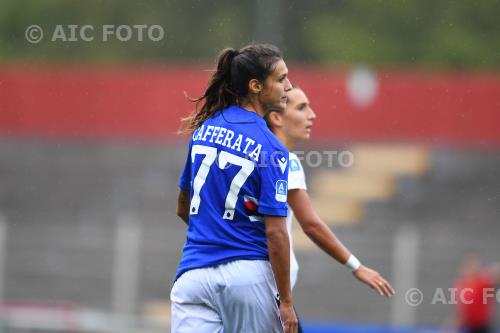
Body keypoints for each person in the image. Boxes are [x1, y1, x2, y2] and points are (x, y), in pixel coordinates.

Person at [171, 44, 298, 333]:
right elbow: (276, 233)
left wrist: (215, 234)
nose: (289, 86)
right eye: (281, 79)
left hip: (193, 277)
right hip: (247, 278)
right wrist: (286, 302)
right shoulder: (271, 149)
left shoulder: (203, 131)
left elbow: (182, 205)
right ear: (256, 86)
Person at [264, 87, 395, 325]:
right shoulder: (284, 160)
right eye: (302, 107)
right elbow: (311, 225)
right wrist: (356, 266)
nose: (312, 115)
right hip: (266, 290)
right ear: (276, 117)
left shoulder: (252, 153)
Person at [448, 254, 500, 333]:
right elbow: (462, 309)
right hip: (469, 325)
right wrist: (455, 322)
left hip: (483, 325)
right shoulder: (462, 284)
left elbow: (496, 276)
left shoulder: (483, 282)